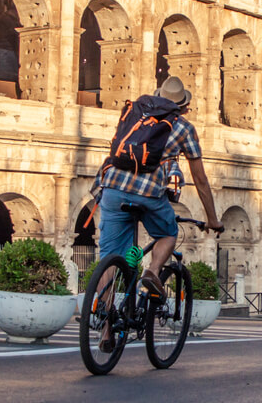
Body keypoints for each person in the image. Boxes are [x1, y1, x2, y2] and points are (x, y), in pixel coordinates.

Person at [95, 75, 224, 301]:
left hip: (112, 186)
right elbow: (200, 179)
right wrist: (212, 219)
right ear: (183, 108)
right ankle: (153, 272)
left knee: (110, 257)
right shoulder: (184, 128)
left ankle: (105, 331)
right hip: (148, 193)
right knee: (168, 232)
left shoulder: (135, 115)